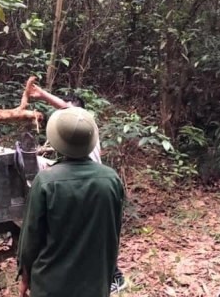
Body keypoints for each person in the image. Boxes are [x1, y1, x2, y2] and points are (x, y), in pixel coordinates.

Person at [27, 84, 127, 293]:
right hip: (92, 187)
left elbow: (32, 236)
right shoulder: (111, 177)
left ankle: (115, 275)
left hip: (88, 187)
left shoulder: (46, 181)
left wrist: (42, 94)